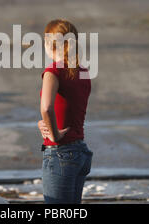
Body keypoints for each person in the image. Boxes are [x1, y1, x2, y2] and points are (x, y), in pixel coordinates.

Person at [37, 19, 93, 204]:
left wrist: (53, 134)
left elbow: (46, 107)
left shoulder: (53, 71)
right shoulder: (83, 71)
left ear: (48, 43)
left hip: (60, 153)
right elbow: (72, 107)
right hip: (80, 151)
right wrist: (46, 122)